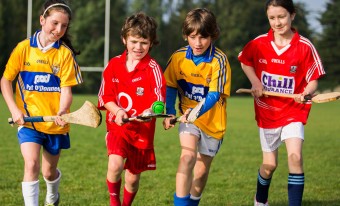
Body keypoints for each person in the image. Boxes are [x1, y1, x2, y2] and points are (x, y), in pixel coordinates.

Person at [238, 0, 325, 205]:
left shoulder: (304, 46)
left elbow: (313, 79)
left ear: (292, 15)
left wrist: (306, 92)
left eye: (282, 16)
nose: (277, 22)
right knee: (269, 165)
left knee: (295, 158)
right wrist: (255, 81)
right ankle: (260, 200)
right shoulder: (259, 43)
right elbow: (244, 61)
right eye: (272, 18)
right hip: (267, 112)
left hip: (293, 111)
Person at [0, 0, 82, 205]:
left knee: (48, 171)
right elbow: (5, 80)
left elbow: (66, 90)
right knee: (31, 164)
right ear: (42, 20)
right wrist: (14, 109)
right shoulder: (23, 48)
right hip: (29, 121)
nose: (59, 29)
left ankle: (53, 194)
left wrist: (63, 110)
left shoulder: (64, 54)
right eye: (55, 23)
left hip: (56, 123)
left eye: (64, 26)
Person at [162, 8, 231, 206]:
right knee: (187, 157)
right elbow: (170, 86)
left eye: (203, 37)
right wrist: (170, 112)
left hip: (212, 122)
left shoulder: (220, 60)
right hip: (187, 118)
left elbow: (214, 94)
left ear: (212, 35)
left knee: (200, 175)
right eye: (193, 37)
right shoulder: (178, 58)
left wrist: (196, 111)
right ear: (186, 36)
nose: (198, 43)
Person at [97, 12, 166, 206]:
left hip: (142, 131)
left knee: (132, 179)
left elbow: (159, 102)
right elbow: (105, 97)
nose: (138, 47)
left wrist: (150, 113)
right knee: (115, 164)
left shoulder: (153, 69)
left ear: (151, 43)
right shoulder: (113, 65)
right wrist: (118, 111)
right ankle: (114, 203)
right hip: (118, 126)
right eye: (134, 41)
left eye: (144, 42)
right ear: (124, 40)